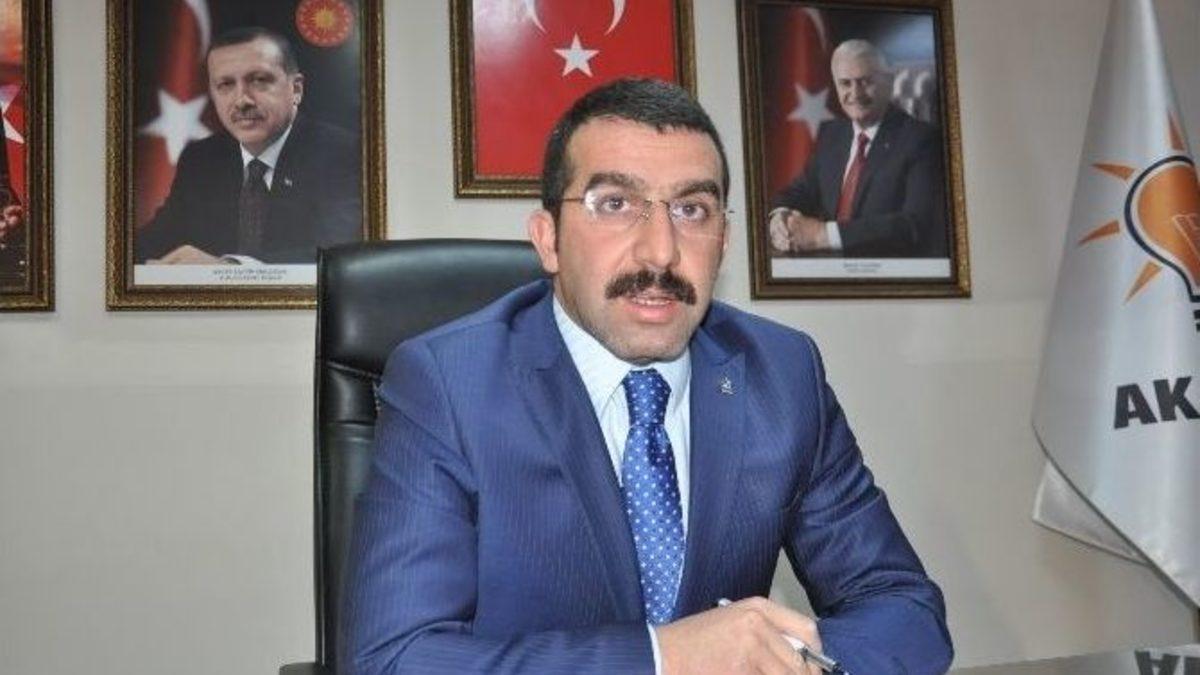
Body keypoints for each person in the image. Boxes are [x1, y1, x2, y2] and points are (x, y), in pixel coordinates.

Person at [341, 78, 952, 674]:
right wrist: (665, 658)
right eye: (615, 204)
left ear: (723, 240)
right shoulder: (449, 383)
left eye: (692, 209)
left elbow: (905, 611)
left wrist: (790, 660)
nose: (660, 252)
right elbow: (394, 658)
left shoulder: (784, 374)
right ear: (548, 240)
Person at [134, 27, 361, 265]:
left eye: (259, 80)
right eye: (225, 84)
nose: (242, 100)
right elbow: (154, 241)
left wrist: (227, 268)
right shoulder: (201, 159)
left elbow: (339, 254)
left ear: (296, 89)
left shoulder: (343, 154)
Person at [769, 39, 946, 258]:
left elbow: (914, 224)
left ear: (889, 82)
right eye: (845, 83)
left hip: (888, 272)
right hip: (825, 269)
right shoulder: (832, 135)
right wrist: (780, 218)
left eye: (866, 82)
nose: (855, 93)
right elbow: (798, 192)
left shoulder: (921, 139)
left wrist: (823, 235)